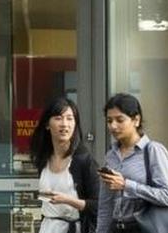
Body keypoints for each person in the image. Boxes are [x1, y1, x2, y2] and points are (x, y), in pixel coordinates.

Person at [96, 93, 168, 233]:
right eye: (109, 121)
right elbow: (105, 204)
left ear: (136, 120)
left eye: (120, 120)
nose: (113, 126)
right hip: (116, 228)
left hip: (144, 227)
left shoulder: (153, 151)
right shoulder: (111, 156)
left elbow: (166, 197)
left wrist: (126, 185)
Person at [28, 96, 100, 233]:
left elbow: (99, 205)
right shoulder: (43, 158)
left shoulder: (84, 160)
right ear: (47, 124)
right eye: (58, 118)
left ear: (75, 124)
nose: (64, 124)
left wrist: (68, 200)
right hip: (48, 227)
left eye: (69, 118)